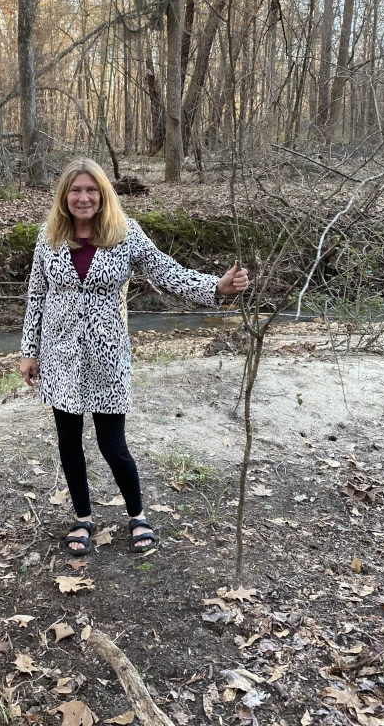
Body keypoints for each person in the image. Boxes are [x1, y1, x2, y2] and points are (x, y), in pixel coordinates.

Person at [19, 157, 249, 555]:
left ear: (103, 194)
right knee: (68, 442)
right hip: (60, 356)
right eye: (76, 190)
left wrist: (217, 287)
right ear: (64, 196)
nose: (83, 197)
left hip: (108, 356)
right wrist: (28, 351)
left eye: (91, 190)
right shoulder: (49, 236)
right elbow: (37, 295)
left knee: (113, 445)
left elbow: (167, 271)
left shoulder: (125, 234)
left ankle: (137, 514)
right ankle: (83, 518)